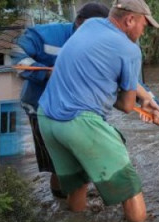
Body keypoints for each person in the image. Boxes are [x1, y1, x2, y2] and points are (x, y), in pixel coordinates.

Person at [37, 0, 159, 222]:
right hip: (79, 122)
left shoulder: (91, 24)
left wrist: (144, 97)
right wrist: (135, 100)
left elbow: (115, 74)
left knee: (78, 185)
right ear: (130, 20)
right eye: (144, 25)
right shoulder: (130, 50)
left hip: (46, 118)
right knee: (129, 187)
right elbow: (126, 106)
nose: (144, 32)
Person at [13, 2, 110, 198]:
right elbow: (16, 55)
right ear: (79, 22)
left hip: (82, 111)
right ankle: (61, 203)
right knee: (58, 164)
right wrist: (48, 74)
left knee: (85, 158)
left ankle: (74, 196)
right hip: (40, 108)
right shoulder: (45, 35)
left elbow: (128, 81)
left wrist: (150, 102)